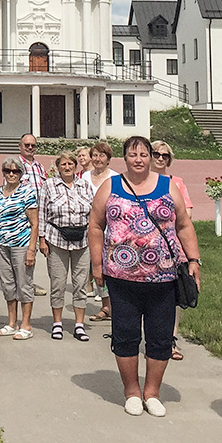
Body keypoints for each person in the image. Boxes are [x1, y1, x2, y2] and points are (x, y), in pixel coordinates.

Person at [88, 136, 201, 418]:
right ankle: (131, 391)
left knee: (160, 337)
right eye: (132, 154)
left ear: (151, 157)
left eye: (143, 154)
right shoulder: (110, 186)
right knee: (125, 335)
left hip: (163, 278)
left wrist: (194, 259)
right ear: (124, 158)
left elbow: (184, 225)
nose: (138, 159)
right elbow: (95, 225)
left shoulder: (167, 187)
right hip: (121, 277)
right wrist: (97, 264)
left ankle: (152, 392)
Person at [38, 151, 94, 341]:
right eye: (64, 164)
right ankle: (57, 323)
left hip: (82, 240)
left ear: (76, 166)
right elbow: (41, 213)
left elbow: (93, 213)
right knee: (58, 283)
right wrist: (41, 238)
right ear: (58, 167)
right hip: (56, 239)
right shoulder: (49, 185)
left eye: (71, 164)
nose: (67, 167)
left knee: (80, 284)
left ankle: (79, 325)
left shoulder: (84, 185)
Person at [150, 140, 193, 360]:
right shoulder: (140, 181)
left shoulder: (176, 183)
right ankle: (149, 337)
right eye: (156, 153)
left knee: (172, 295)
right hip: (143, 249)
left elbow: (186, 215)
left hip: (170, 247)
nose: (159, 158)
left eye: (164, 156)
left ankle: (170, 339)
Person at [0, 156, 39, 340]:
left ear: (21, 174)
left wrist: (32, 249)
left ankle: (26, 325)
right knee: (7, 285)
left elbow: (34, 223)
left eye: (15, 171)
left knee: (24, 284)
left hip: (21, 244)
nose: (11, 174)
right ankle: (12, 322)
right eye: (7, 171)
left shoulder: (26, 192)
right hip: (1, 244)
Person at [83, 141, 119, 321]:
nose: (97, 159)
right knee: (95, 266)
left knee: (112, 267)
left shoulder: (115, 178)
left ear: (108, 159)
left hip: (111, 229)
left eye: (101, 156)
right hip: (90, 227)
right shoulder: (84, 177)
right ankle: (106, 306)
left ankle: (116, 304)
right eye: (95, 155)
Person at [16, 133, 48, 296]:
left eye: (32, 145)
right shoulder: (15, 165)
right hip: (21, 218)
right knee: (21, 253)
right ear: (20, 146)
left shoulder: (39, 167)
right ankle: (21, 286)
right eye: (26, 145)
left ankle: (28, 283)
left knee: (31, 252)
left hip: (38, 218)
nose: (29, 148)